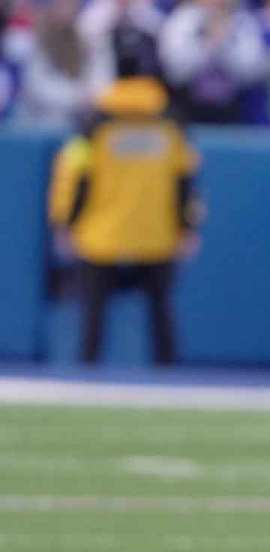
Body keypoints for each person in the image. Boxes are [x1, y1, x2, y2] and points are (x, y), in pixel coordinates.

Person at [47, 26, 202, 365]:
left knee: (93, 318)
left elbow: (75, 176)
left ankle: (85, 385)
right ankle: (171, 386)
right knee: (161, 316)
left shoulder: (95, 122)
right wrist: (188, 227)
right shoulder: (171, 121)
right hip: (156, 233)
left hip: (100, 233)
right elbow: (185, 180)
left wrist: (65, 222)